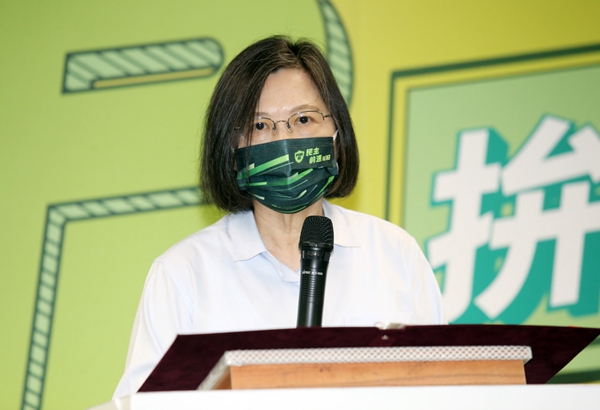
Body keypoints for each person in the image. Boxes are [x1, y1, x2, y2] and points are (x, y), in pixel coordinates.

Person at [113, 35, 444, 399]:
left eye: (303, 119)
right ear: (231, 148)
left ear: (337, 135)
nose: (284, 141)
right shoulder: (185, 275)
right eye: (260, 125)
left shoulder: (395, 255)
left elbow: (449, 390)